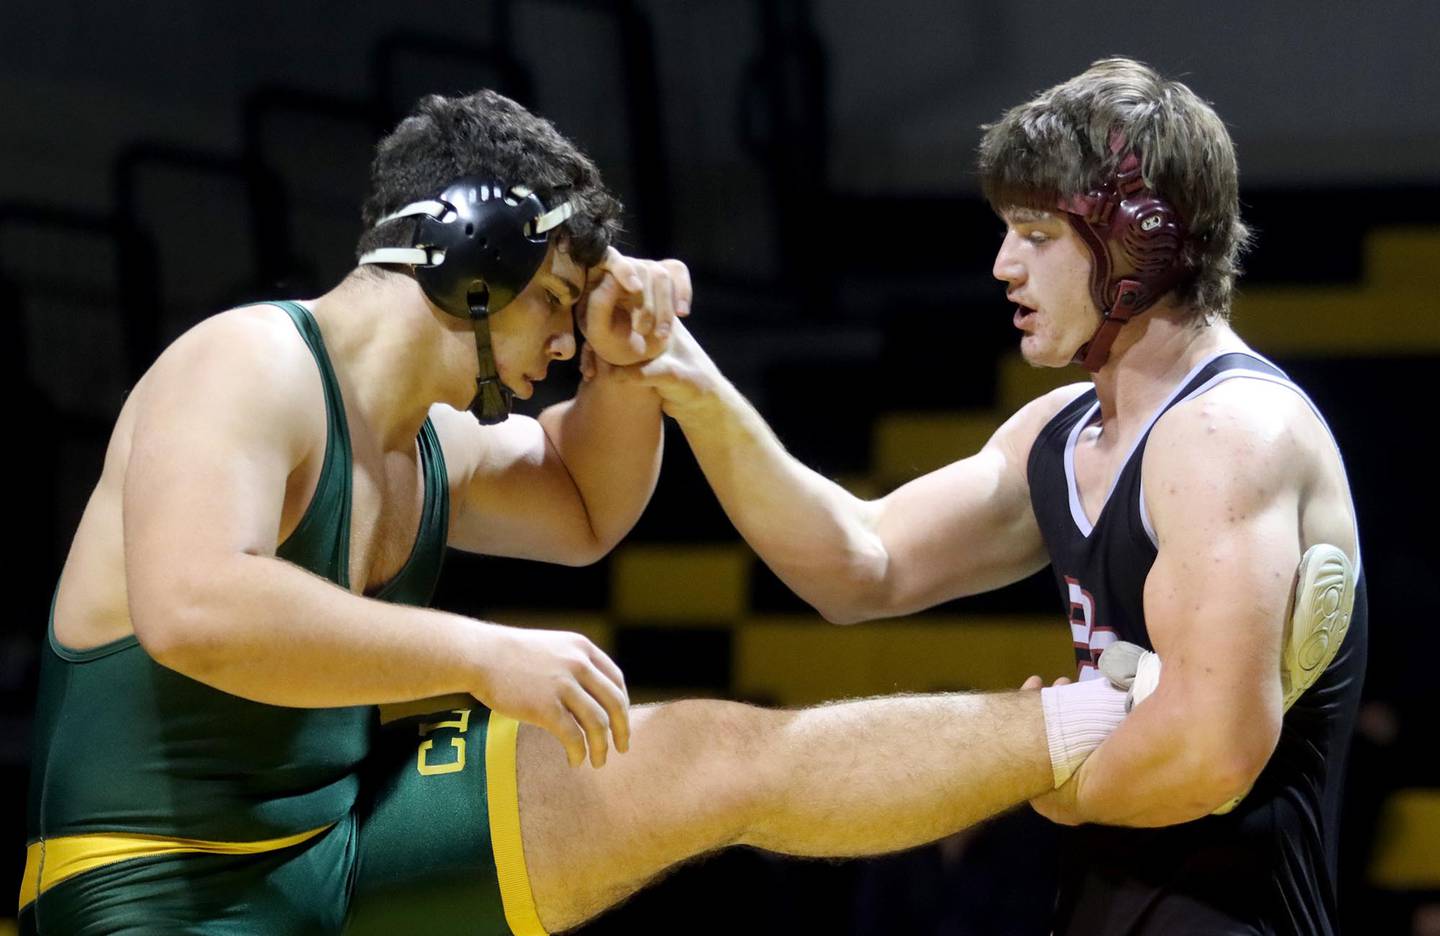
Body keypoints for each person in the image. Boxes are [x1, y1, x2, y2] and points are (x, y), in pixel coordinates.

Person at [20, 89, 1145, 936]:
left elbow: (583, 506)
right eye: (558, 298)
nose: (561, 340)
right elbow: (193, 607)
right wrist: (479, 653)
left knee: (710, 756)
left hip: (338, 844)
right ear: (470, 254)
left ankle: (1099, 718)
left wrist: (626, 359)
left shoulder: (427, 437)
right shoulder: (245, 364)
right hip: (145, 875)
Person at [617, 58, 1366, 934]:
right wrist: (686, 373)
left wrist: (1041, 773)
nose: (1004, 265)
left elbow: (1211, 754)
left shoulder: (1228, 433)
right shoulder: (1064, 431)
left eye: (1039, 235)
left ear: (1145, 238)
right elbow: (860, 564)